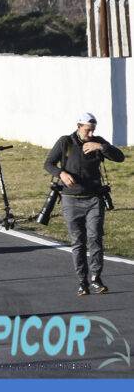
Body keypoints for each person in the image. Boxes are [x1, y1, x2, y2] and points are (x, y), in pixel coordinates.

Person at [43, 112, 125, 295]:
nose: (90, 134)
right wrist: (61, 174)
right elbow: (48, 164)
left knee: (95, 237)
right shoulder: (65, 142)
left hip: (94, 198)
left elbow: (120, 157)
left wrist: (101, 146)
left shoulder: (98, 142)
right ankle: (82, 281)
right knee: (78, 242)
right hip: (70, 199)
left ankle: (96, 277)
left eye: (93, 130)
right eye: (88, 130)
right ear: (79, 127)